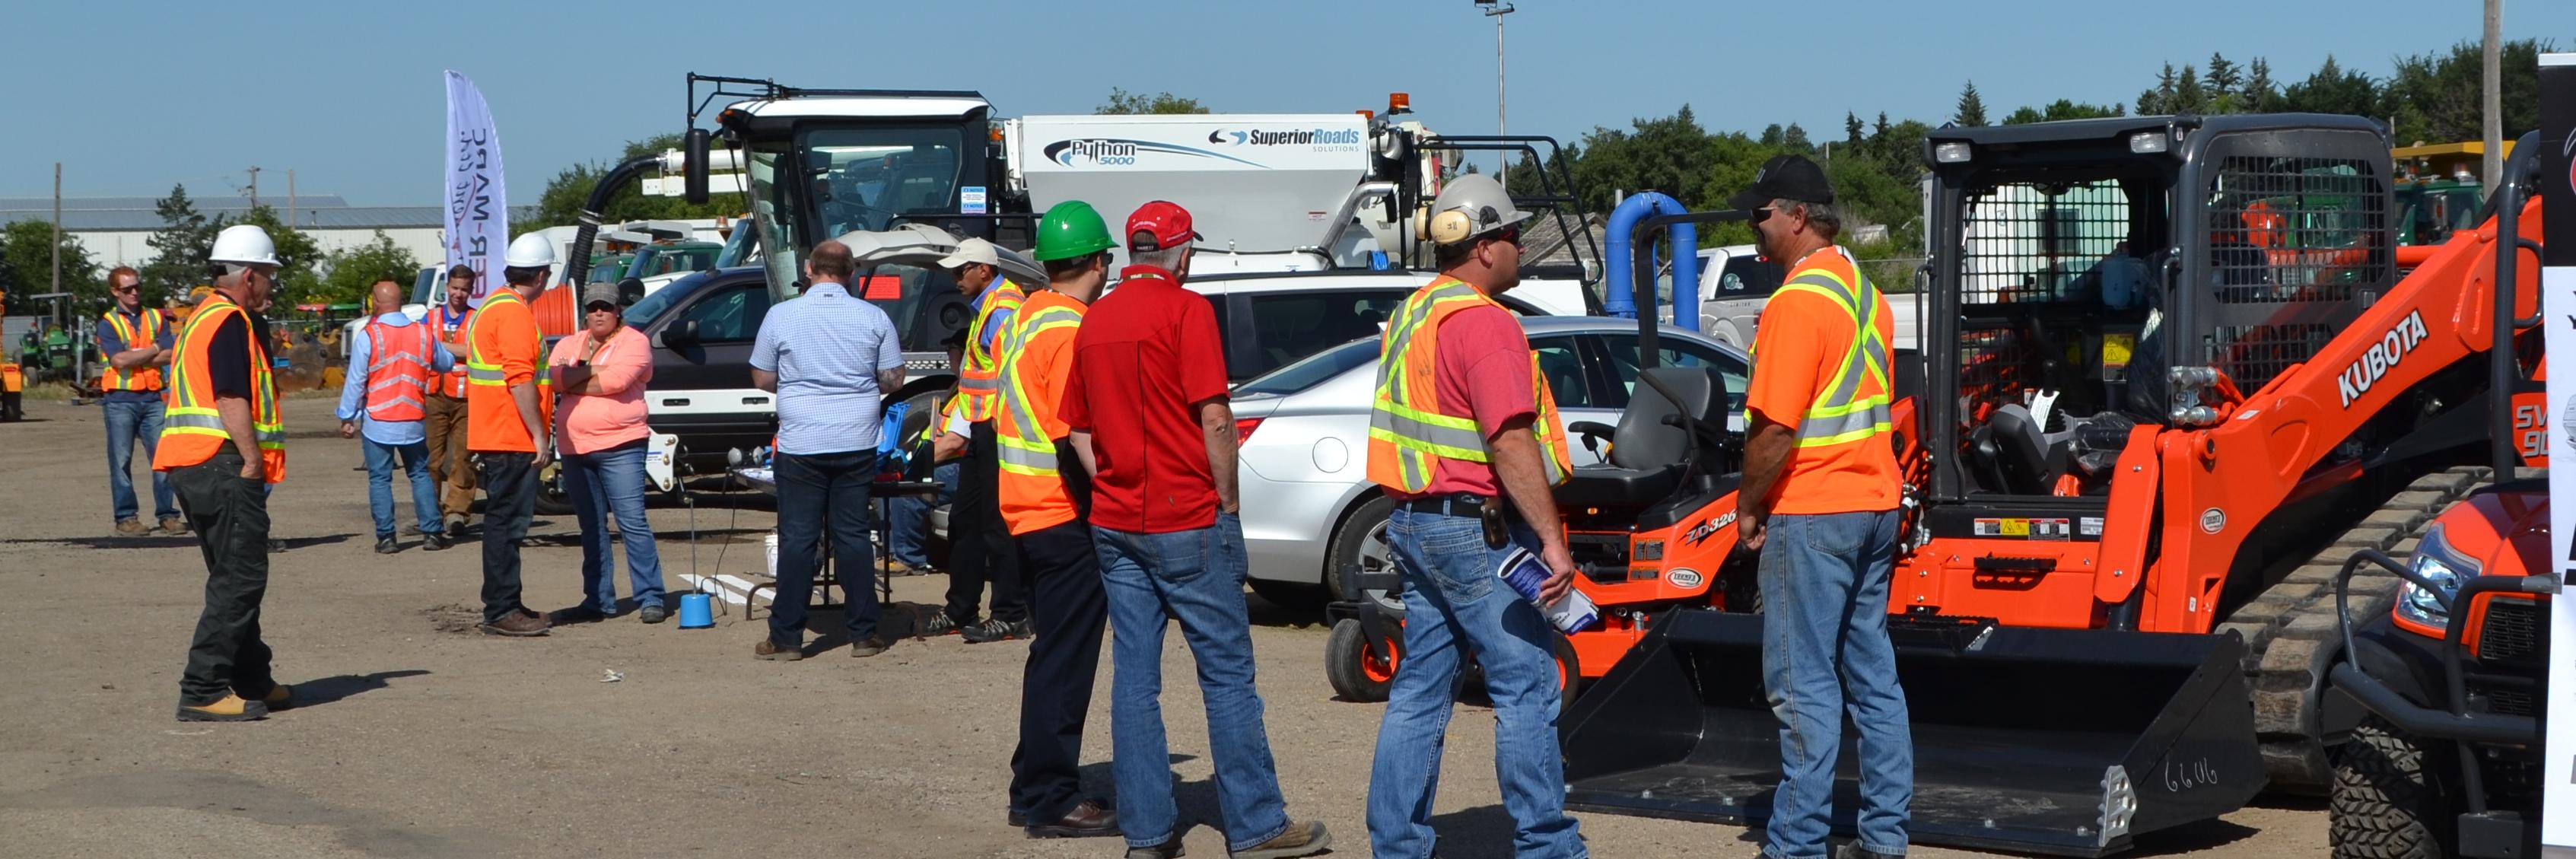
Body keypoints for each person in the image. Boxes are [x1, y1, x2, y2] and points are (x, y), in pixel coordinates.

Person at [1063, 202, 1331, 858]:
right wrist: (1227, 501)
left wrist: (1111, 484)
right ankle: (1258, 825)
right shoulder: (1187, 311)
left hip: (1117, 522)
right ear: (1183, 254)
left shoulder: (1095, 319)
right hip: (1188, 516)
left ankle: (1147, 834)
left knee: (1135, 681)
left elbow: (1077, 430)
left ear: (1132, 253)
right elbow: (1215, 417)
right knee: (1227, 676)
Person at [1363, 173, 1586, 858]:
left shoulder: (1416, 313)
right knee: (1527, 686)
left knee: (1420, 690)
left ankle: (1397, 845)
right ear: (1485, 245)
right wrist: (1553, 540)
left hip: (1415, 522)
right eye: (1514, 234)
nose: (1520, 246)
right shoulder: (1486, 322)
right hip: (1474, 527)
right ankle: (1548, 846)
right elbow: (1509, 440)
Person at [1728, 154, 1911, 859]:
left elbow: (1775, 429)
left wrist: (1748, 504)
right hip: (1874, 501)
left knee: (1801, 686)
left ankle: (1796, 847)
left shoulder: (1797, 302)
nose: (1754, 226)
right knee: (1873, 678)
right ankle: (1884, 839)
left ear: (1797, 216)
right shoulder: (1866, 295)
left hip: (1814, 509)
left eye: (1761, 214)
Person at [995, 202, 1117, 840]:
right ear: (1099, 261)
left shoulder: (1028, 314)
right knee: (1066, 663)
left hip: (1024, 507)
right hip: (1062, 512)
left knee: (1050, 657)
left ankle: (1032, 787)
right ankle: (1051, 797)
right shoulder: (1071, 329)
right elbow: (1077, 435)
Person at [157, 224, 294, 721]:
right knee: (240, 578)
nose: (271, 285)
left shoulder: (201, 316)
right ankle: (203, 686)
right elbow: (231, 395)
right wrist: (253, 461)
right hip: (221, 463)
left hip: (193, 462)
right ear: (250, 275)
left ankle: (252, 676)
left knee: (234, 574)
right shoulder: (230, 320)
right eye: (269, 275)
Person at [747, 239, 905, 660]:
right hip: (856, 438)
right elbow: (893, 379)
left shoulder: (781, 315)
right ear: (851, 273)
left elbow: (762, 377)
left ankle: (786, 638)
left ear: (808, 269)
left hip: (801, 439)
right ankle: (864, 633)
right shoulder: (873, 317)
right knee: (853, 534)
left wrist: (798, 386)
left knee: (798, 537)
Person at [925, 237, 1030, 641]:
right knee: (965, 521)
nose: (955, 278)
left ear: (983, 270)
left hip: (997, 430)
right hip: (981, 428)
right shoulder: (989, 305)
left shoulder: (1002, 308)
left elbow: (1010, 376)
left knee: (995, 524)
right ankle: (960, 607)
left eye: (961, 270)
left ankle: (1010, 613)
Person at [548, 283, 666, 624]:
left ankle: (651, 597)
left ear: (618, 311)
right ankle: (598, 600)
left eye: (606, 307)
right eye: (593, 307)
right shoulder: (569, 343)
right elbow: (551, 379)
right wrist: (593, 373)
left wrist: (572, 378)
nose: (599, 312)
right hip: (574, 447)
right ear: (585, 312)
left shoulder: (634, 341)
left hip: (622, 446)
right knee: (591, 527)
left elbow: (616, 382)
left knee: (632, 523)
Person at [467, 233, 561, 638]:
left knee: (505, 523)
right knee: (507, 525)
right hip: (510, 434)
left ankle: (508, 603)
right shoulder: (514, 313)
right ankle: (502, 609)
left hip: (497, 431)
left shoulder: (493, 305)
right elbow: (521, 381)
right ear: (540, 275)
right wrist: (540, 435)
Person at [334, 278, 457, 554]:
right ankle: (432, 534)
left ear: (377, 303)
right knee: (420, 474)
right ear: (400, 302)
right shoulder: (423, 333)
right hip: (412, 419)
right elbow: (445, 363)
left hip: (378, 421)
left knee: (380, 479)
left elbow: (356, 380)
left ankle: (387, 538)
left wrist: (347, 416)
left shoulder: (370, 335)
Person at [97, 266, 183, 535]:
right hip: (119, 401)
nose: (134, 292)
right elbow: (119, 360)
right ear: (115, 291)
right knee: (121, 461)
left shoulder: (156, 317)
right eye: (127, 289)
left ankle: (168, 515)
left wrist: (137, 354)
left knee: (163, 459)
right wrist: (155, 348)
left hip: (153, 398)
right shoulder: (108, 323)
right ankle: (126, 518)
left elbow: (171, 353)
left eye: (137, 287)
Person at [423, 265, 479, 533]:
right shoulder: (430, 317)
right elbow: (422, 347)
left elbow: (475, 351)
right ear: (447, 288)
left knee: (463, 457)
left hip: (466, 398)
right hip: (433, 394)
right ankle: (429, 512)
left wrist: (440, 347)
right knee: (430, 459)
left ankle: (457, 513)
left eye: (464, 290)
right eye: (455, 288)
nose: (459, 294)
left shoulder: (477, 319)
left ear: (471, 290)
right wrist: (458, 350)